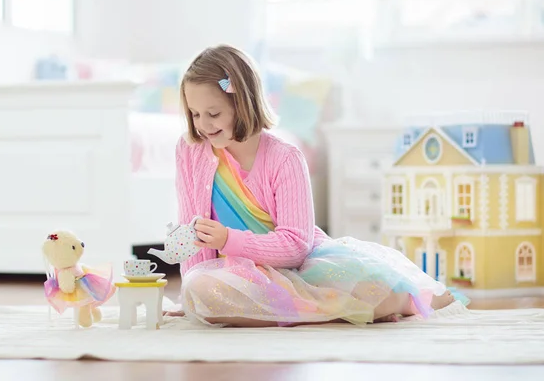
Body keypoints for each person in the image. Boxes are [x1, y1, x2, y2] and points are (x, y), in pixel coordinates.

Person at [169, 44, 468, 328]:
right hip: (235, 275)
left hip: (296, 268)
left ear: (243, 103)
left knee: (375, 289)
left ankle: (345, 308)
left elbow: (296, 247)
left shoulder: (285, 158)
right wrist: (190, 294)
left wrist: (228, 239)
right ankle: (334, 313)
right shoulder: (191, 151)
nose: (203, 125)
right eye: (195, 115)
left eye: (214, 113)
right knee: (199, 291)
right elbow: (190, 232)